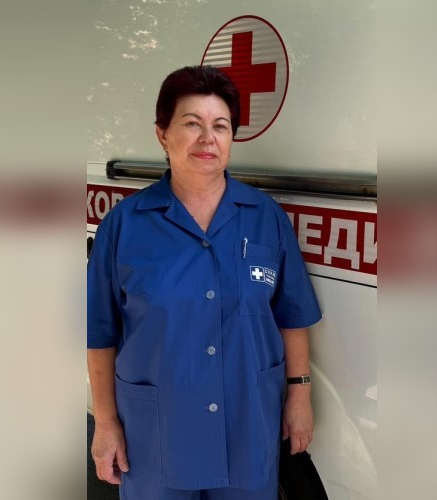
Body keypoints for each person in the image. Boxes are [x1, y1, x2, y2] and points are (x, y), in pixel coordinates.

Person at [87, 65, 322, 500]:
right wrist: (105, 423)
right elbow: (99, 332)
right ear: (162, 134)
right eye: (192, 123)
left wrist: (299, 397)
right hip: (155, 434)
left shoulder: (266, 218)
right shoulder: (124, 225)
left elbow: (291, 317)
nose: (207, 138)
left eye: (220, 126)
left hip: (247, 424)